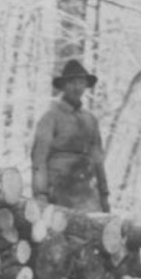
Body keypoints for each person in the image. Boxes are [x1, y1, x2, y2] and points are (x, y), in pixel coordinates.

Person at [31, 59, 111, 213]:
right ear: (63, 86)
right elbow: (39, 159)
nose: (77, 88)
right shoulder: (50, 117)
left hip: (86, 190)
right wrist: (40, 194)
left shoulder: (90, 120)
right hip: (59, 188)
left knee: (91, 229)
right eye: (72, 82)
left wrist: (104, 194)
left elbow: (98, 160)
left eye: (81, 83)